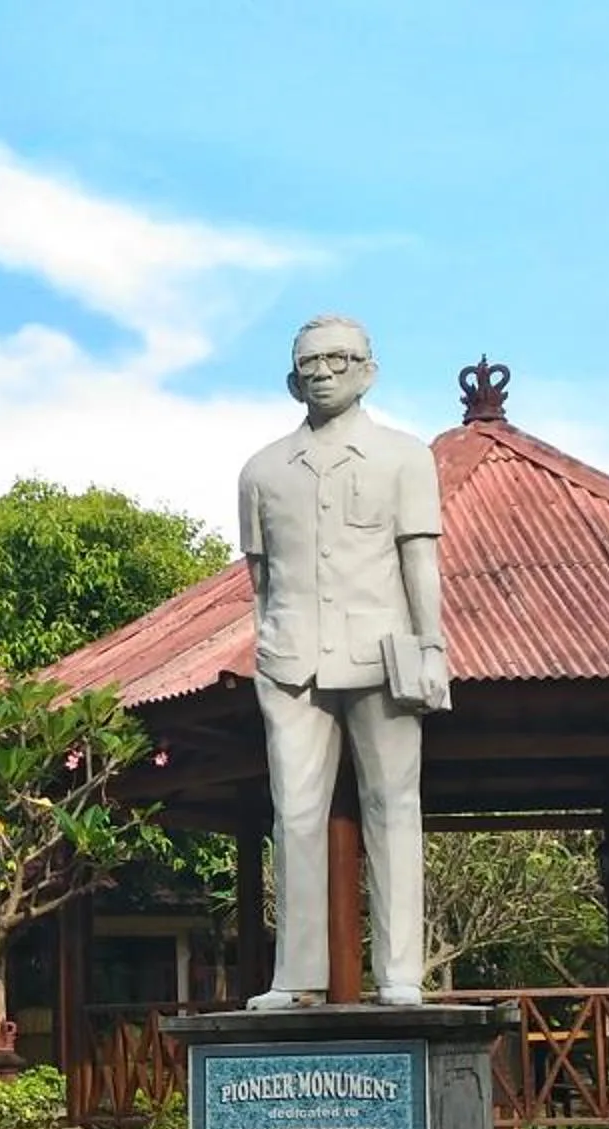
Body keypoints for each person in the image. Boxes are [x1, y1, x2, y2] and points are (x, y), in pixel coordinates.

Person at [237, 315, 449, 1010]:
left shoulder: (403, 457)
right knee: (293, 813)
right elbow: (260, 581)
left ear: (368, 369)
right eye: (309, 363)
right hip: (291, 656)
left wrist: (431, 645)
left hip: (383, 652)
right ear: (291, 378)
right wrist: (268, 645)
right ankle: (296, 978)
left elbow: (419, 557)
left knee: (396, 808)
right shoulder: (261, 470)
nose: (323, 371)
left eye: (338, 358)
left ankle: (400, 975)